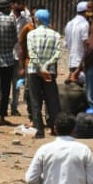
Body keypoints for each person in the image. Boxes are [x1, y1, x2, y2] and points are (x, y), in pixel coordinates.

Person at [24, 111, 93, 184]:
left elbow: (30, 179)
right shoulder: (83, 150)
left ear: (55, 129)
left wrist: (47, 180)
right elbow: (92, 180)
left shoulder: (44, 149)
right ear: (73, 130)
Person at [24, 8, 64, 140]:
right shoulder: (57, 35)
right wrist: (46, 67)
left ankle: (39, 131)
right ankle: (55, 128)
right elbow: (57, 55)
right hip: (49, 72)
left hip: (33, 71)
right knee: (52, 101)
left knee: (35, 101)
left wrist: (40, 68)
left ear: (37, 20)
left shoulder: (31, 35)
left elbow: (32, 54)